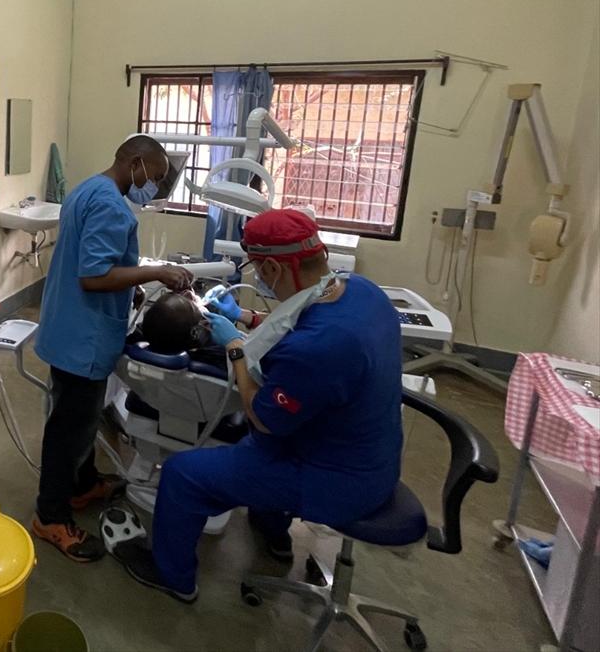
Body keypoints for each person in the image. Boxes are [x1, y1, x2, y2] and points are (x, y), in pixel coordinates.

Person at [112, 209, 403, 603]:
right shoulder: (362, 292)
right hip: (374, 454)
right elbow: (298, 318)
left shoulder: (316, 349)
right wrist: (245, 317)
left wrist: (236, 347)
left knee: (183, 474)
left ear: (273, 267)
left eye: (257, 269)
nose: (258, 277)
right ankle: (272, 528)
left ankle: (172, 577)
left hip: (335, 478)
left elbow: (265, 419)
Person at [32, 135, 194, 562]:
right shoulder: (111, 206)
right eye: (156, 176)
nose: (155, 186)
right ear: (135, 163)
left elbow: (88, 259)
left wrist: (129, 288)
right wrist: (154, 273)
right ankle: (50, 516)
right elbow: (93, 276)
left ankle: (83, 485)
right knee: (69, 429)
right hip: (83, 337)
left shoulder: (88, 188)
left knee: (82, 419)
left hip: (67, 324)